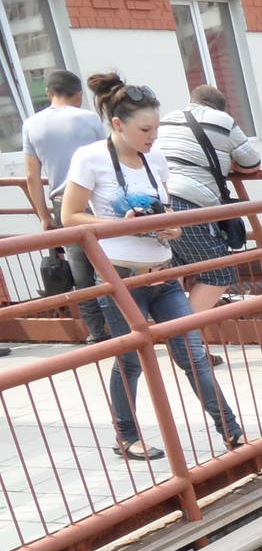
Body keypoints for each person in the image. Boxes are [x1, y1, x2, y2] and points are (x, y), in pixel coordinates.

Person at [60, 73, 245, 462]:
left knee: (192, 354)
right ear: (117, 124)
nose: (152, 136)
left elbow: (165, 212)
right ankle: (126, 437)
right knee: (130, 361)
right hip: (120, 278)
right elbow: (70, 216)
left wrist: (171, 227)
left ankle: (231, 431)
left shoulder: (155, 158)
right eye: (145, 129)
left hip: (164, 272)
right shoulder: (90, 158)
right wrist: (120, 225)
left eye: (156, 128)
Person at [21, 69, 110, 343]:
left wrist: (43, 215)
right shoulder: (89, 118)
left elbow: (31, 176)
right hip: (97, 201)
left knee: (81, 272)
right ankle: (123, 327)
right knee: (110, 266)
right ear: (79, 95)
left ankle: (96, 333)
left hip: (63, 204)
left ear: (48, 94)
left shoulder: (31, 124)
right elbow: (108, 158)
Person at [155, 83, 260, 313]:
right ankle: (183, 336)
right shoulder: (223, 121)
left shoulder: (167, 119)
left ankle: (181, 342)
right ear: (220, 108)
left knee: (174, 269)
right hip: (191, 203)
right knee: (220, 272)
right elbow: (252, 163)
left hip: (158, 203)